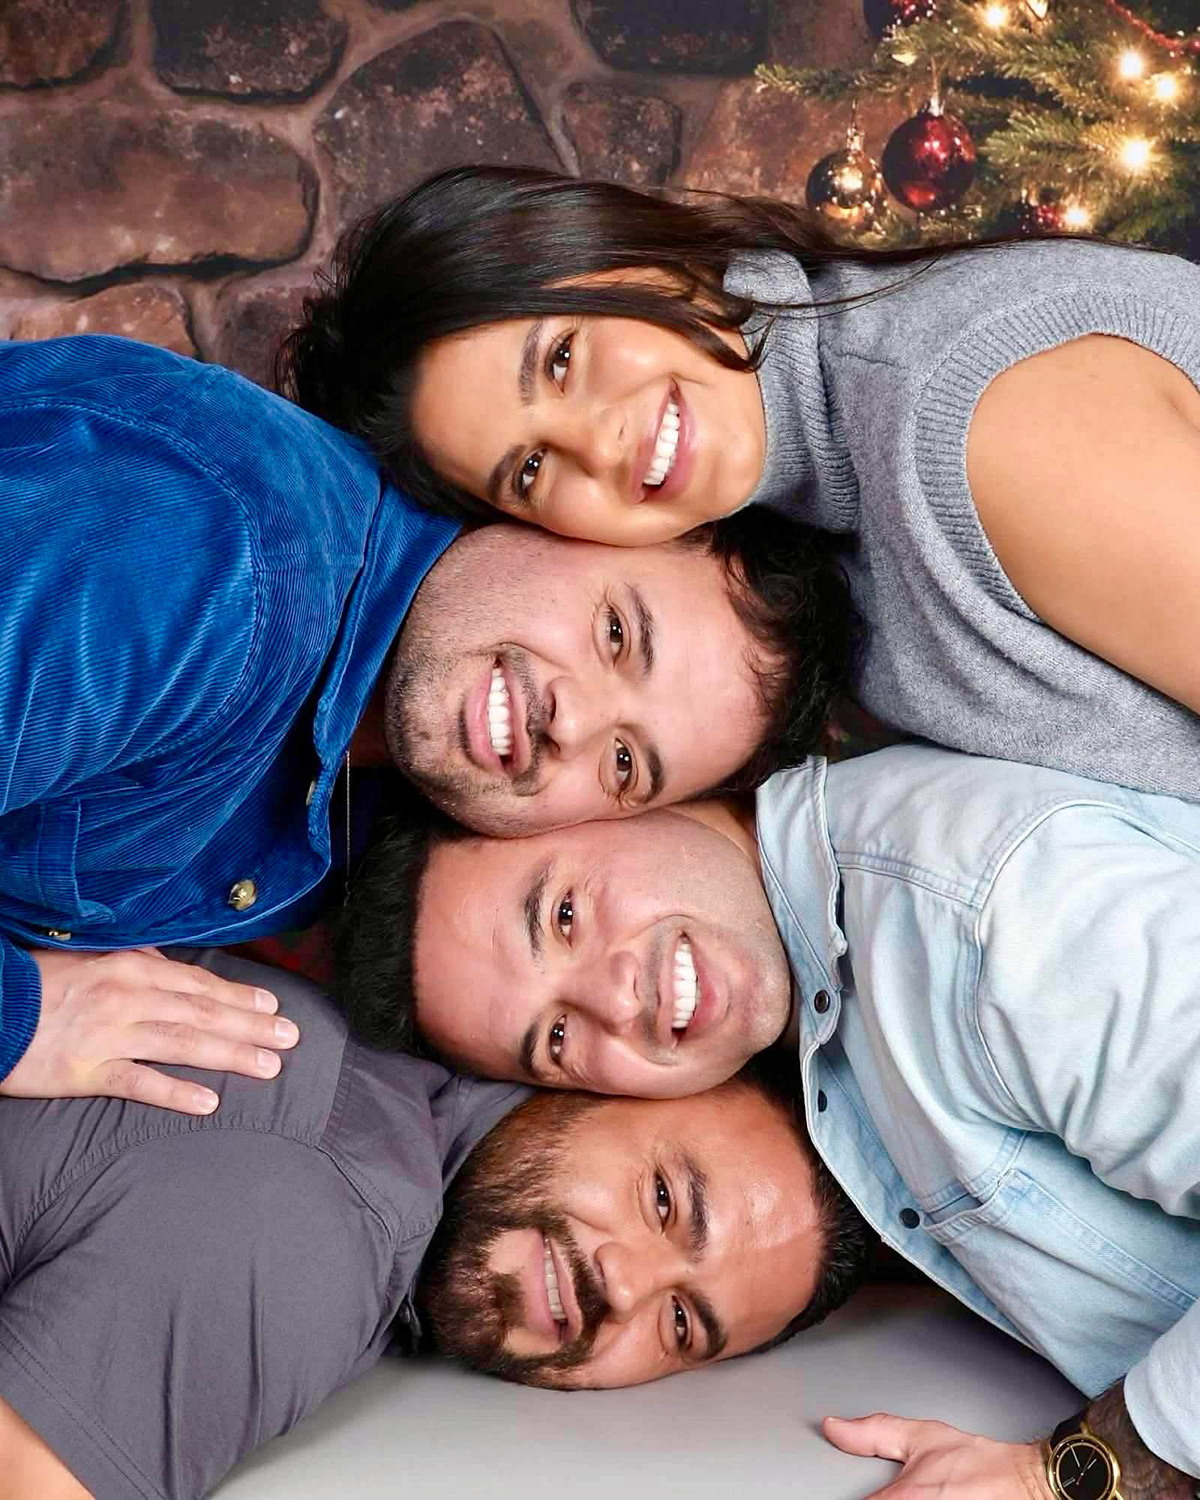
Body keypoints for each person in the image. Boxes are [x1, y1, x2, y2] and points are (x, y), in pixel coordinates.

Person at [0, 333, 854, 1113]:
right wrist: (21, 1018)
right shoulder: (229, 569)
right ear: (568, 516)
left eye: (626, 763)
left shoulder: (361, 821)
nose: (574, 720)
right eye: (616, 634)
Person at [337, 742, 1200, 1496]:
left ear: (614, 795)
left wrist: (1085, 1474)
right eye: (556, 1039)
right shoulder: (849, 1087)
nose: (616, 999)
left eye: (564, 914)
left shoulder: (970, 917)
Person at [279, 165, 1200, 803]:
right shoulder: (818, 550)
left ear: (617, 249)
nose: (599, 444)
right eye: (530, 469)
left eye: (561, 359)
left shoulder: (972, 425)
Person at [0, 951, 867, 1500]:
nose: (625, 1284)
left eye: (680, 1324)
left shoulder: (362, 1068)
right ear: (604, 1085)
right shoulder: (319, 1234)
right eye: (665, 1202)